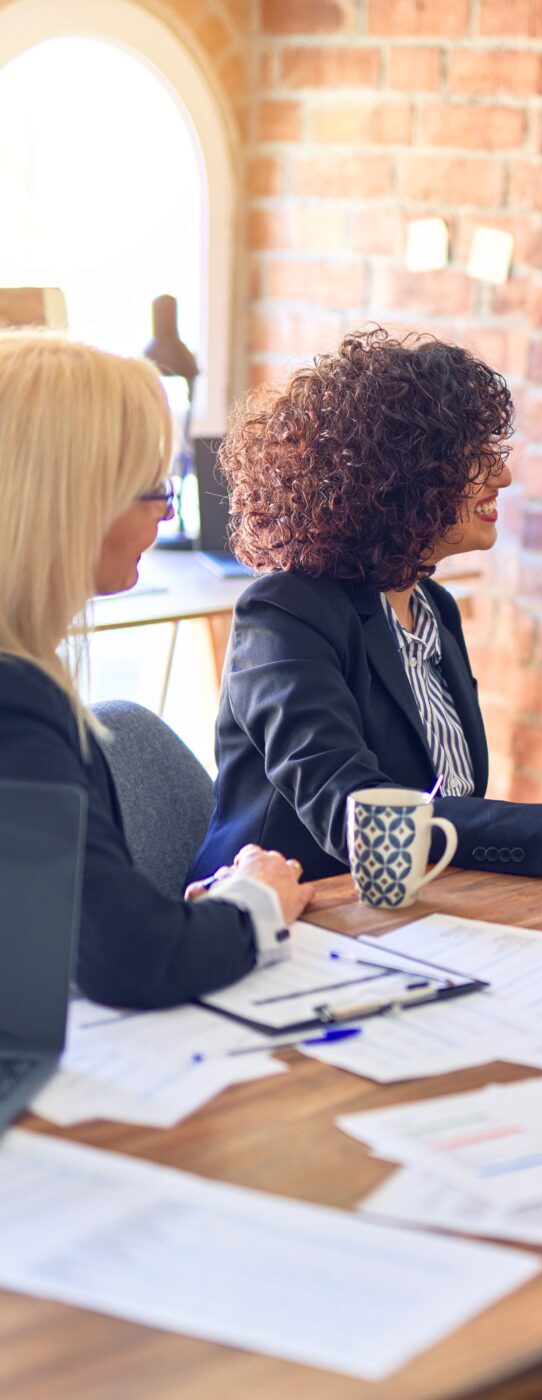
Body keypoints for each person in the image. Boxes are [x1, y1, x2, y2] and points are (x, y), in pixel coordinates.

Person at [191, 328, 542, 886]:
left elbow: (449, 803)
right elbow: (356, 813)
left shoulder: (435, 611)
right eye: (475, 457)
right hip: (285, 918)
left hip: (409, 913)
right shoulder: (284, 615)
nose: (503, 475)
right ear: (400, 476)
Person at [0, 331, 310, 1009]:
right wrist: (256, 903)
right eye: (155, 491)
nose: (167, 512)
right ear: (78, 504)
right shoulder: (15, 700)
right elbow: (130, 958)